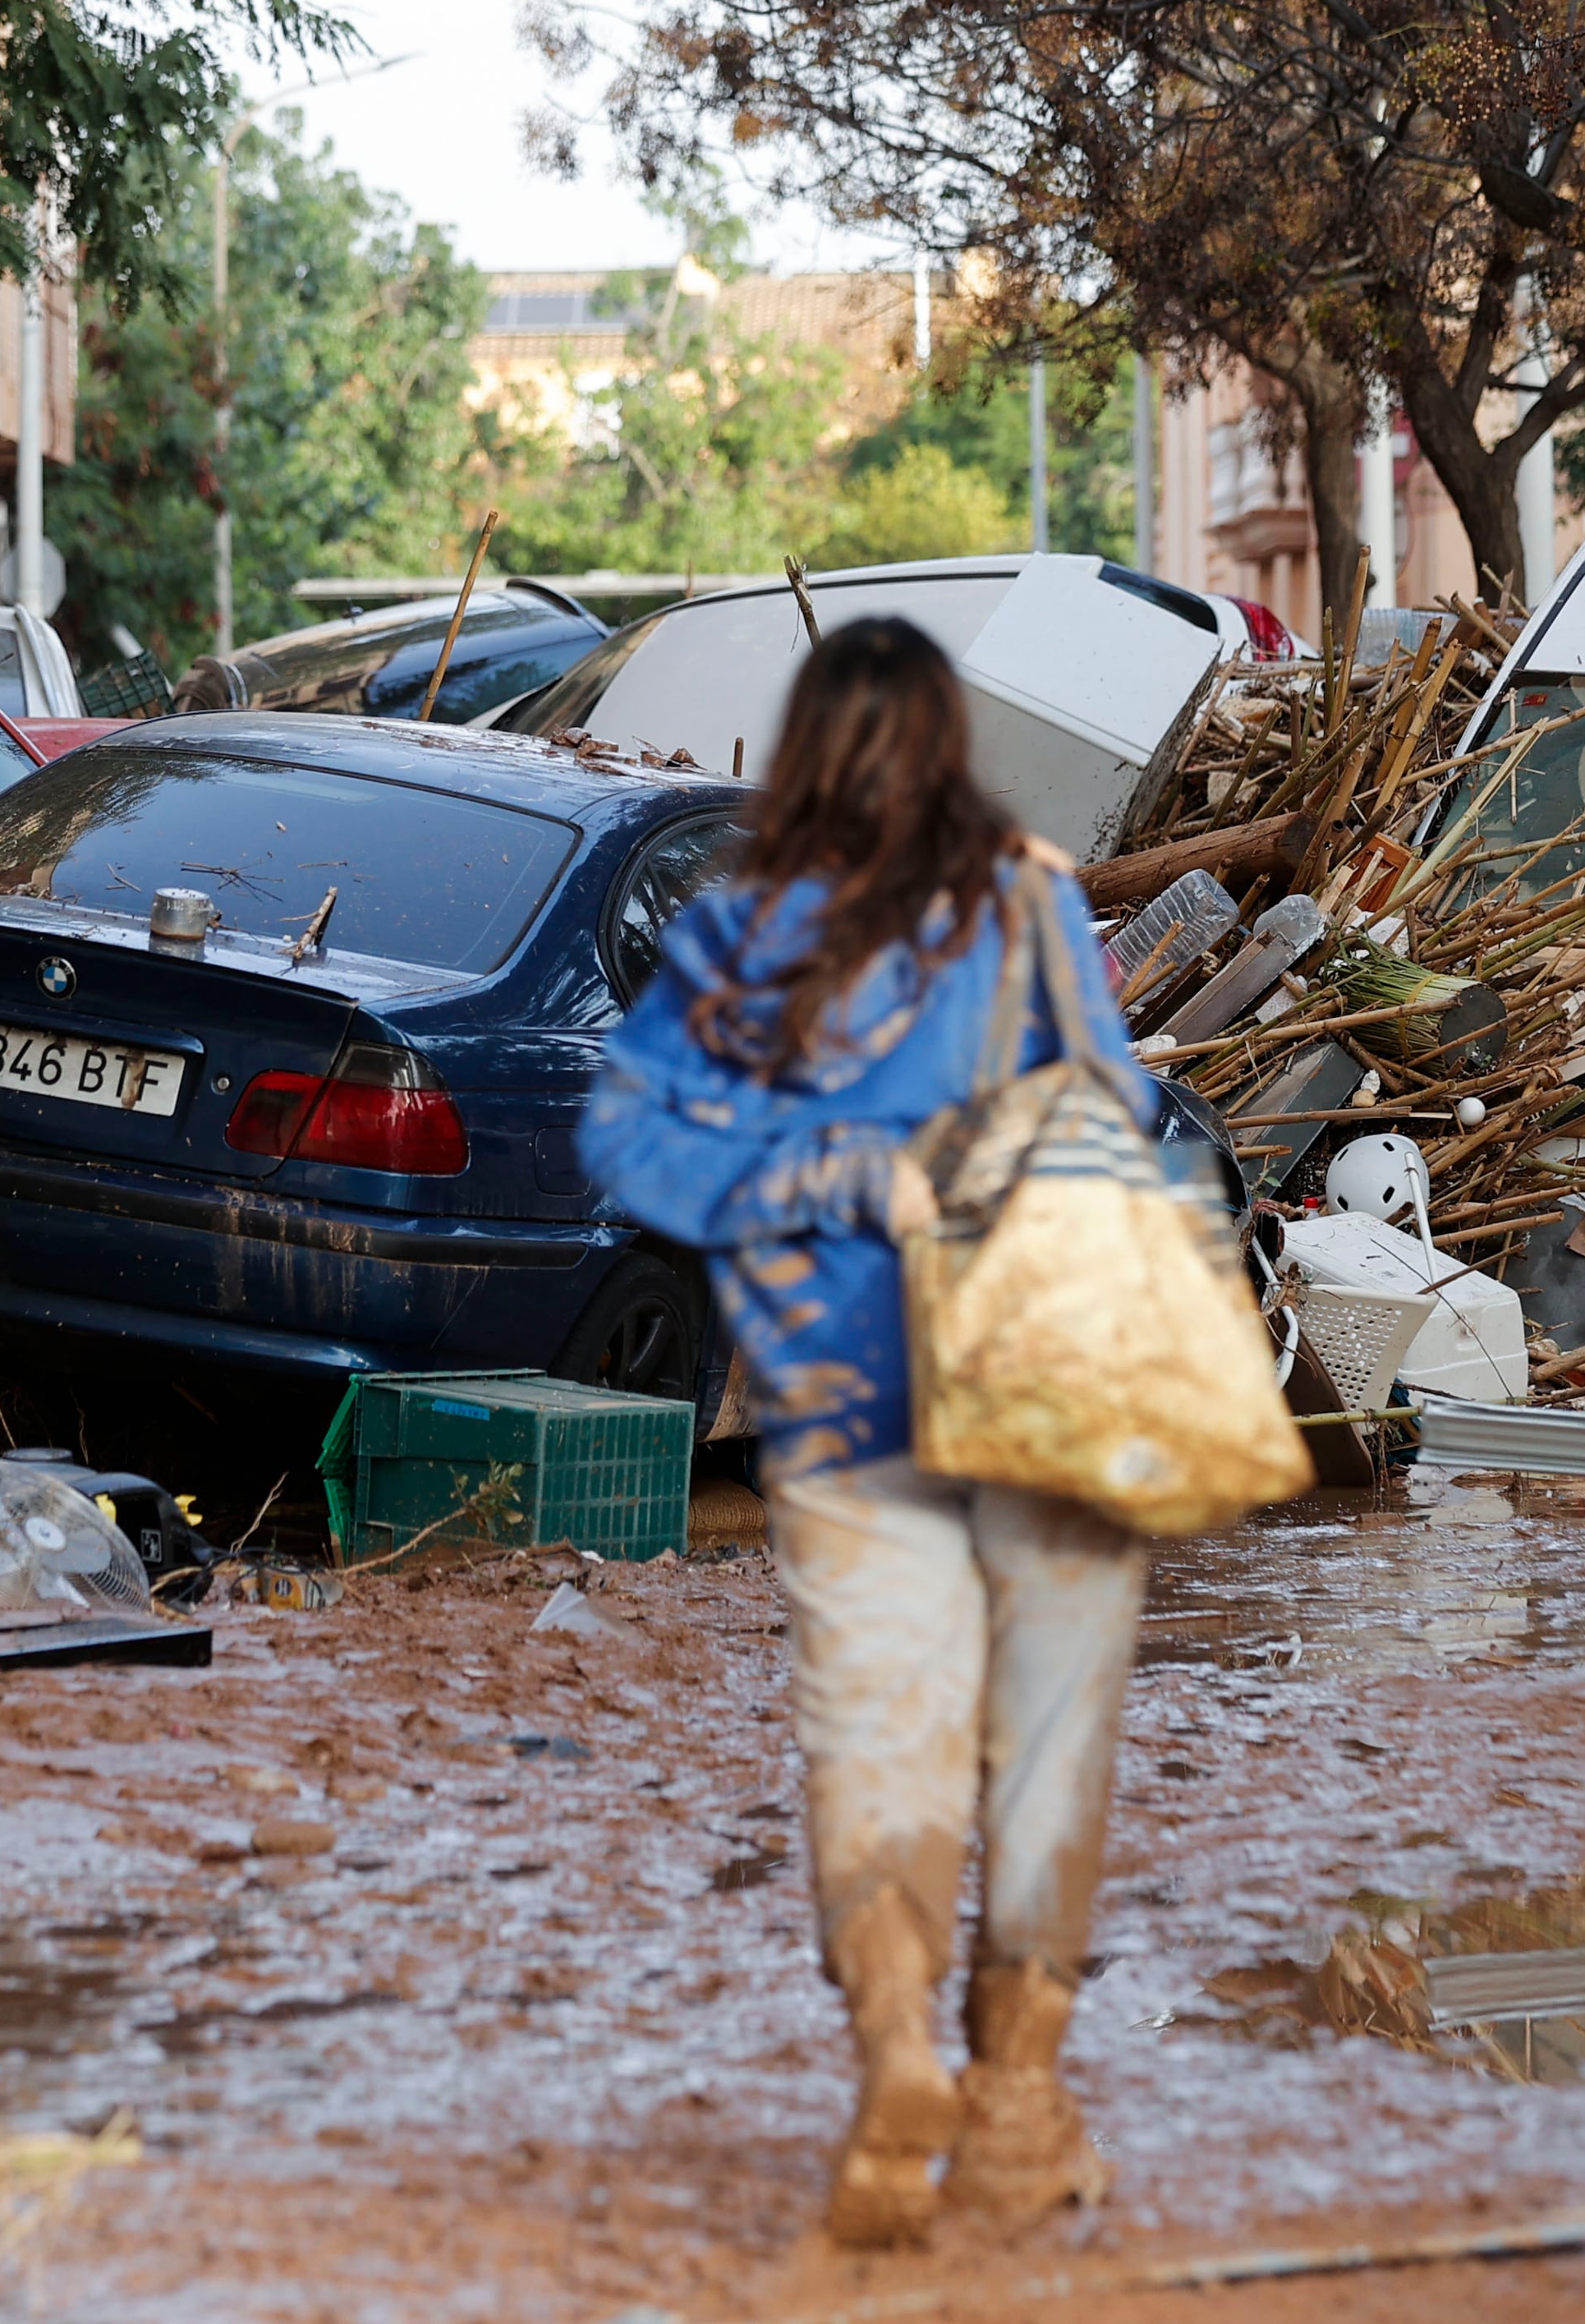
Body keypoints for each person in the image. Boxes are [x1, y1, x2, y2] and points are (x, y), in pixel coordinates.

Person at [583, 618, 1155, 2248]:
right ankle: (1018, 2113)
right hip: (1032, 1397)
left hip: (835, 1418)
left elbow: (625, 1145)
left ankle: (899, 2058)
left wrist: (806, 1183)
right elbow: (1111, 1113)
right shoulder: (1032, 904)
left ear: (812, 750)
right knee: (1043, 1749)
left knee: (878, 1740)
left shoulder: (737, 943)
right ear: (952, 744)